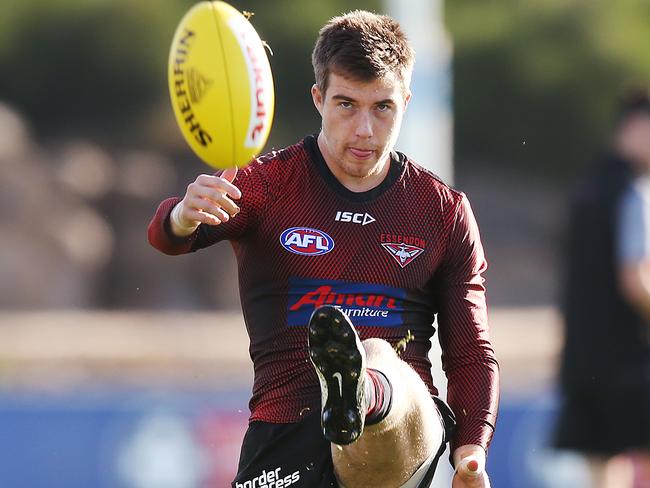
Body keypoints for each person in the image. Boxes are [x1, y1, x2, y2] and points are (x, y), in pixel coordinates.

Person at [149, 10, 498, 488]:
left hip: (402, 439)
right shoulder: (269, 185)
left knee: (378, 356)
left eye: (383, 108)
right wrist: (182, 215)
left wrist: (471, 452)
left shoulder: (441, 211)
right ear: (318, 98)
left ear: (407, 103)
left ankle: (363, 391)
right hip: (286, 432)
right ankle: (351, 389)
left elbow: (471, 353)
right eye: (346, 105)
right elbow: (171, 238)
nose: (364, 131)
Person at [556, 88, 650, 488]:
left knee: (600, 470)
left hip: (583, 358)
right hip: (631, 361)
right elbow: (636, 280)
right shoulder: (633, 191)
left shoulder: (583, 189)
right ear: (636, 127)